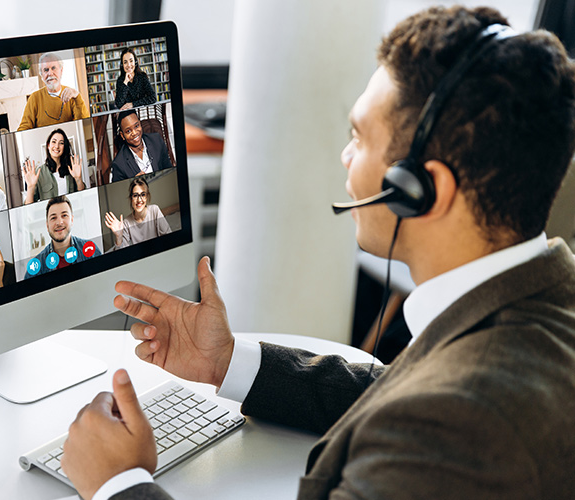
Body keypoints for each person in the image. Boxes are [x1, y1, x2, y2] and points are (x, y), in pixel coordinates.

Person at [60, 6, 575, 500]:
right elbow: (399, 391)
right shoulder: (541, 305)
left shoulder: (455, 428)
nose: (345, 158)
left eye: (358, 138)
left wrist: (118, 485)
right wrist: (228, 360)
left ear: (418, 188)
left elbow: (429, 413)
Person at [24, 195, 101, 278]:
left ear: (71, 220)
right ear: (47, 225)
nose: (59, 222)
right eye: (53, 218)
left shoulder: (90, 250)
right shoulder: (36, 266)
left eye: (64, 215)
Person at [17, 53, 89, 131]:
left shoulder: (73, 96)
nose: (50, 73)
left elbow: (85, 125)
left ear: (61, 71)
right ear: (41, 75)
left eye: (53, 68)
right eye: (46, 70)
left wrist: (77, 96)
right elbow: (23, 128)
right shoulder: (34, 98)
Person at [104, 177, 172, 249]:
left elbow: (168, 238)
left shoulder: (154, 210)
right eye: (135, 195)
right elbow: (123, 254)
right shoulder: (126, 223)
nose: (139, 200)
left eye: (143, 194)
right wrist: (119, 237)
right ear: (131, 199)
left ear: (147, 197)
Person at [21, 128, 85, 204]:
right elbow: (29, 207)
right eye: (54, 142)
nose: (57, 146)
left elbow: (82, 196)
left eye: (61, 143)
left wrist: (78, 179)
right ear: (48, 145)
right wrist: (30, 187)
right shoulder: (39, 173)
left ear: (64, 147)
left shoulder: (71, 169)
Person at [111, 110, 173, 182]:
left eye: (136, 126)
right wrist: (134, 182)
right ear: (122, 135)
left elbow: (169, 171)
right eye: (128, 131)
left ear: (140, 124)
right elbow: (120, 190)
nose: (134, 133)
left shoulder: (156, 141)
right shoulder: (119, 164)